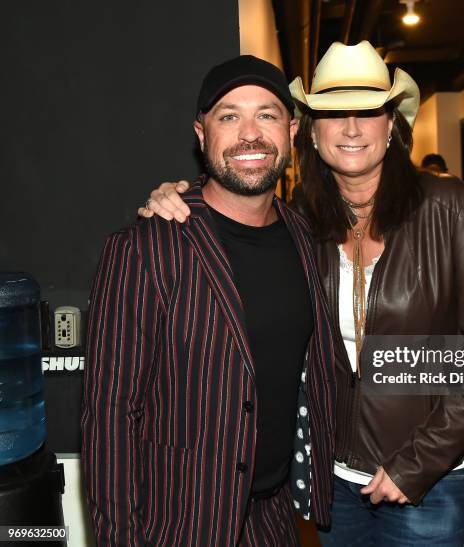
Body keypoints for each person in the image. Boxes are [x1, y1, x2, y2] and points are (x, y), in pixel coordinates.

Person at [140, 41, 464, 546]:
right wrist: (177, 197)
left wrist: (416, 465)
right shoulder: (297, 222)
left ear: (391, 126)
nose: (352, 129)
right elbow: (229, 208)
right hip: (333, 480)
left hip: (432, 480)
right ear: (311, 133)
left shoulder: (451, 208)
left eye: (368, 112)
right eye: (335, 114)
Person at [81, 55, 336, 547]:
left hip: (276, 520)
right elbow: (110, 415)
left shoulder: (304, 236)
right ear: (201, 135)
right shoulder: (147, 247)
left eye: (267, 115)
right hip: (180, 525)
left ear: (290, 131)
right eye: (229, 116)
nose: (250, 134)